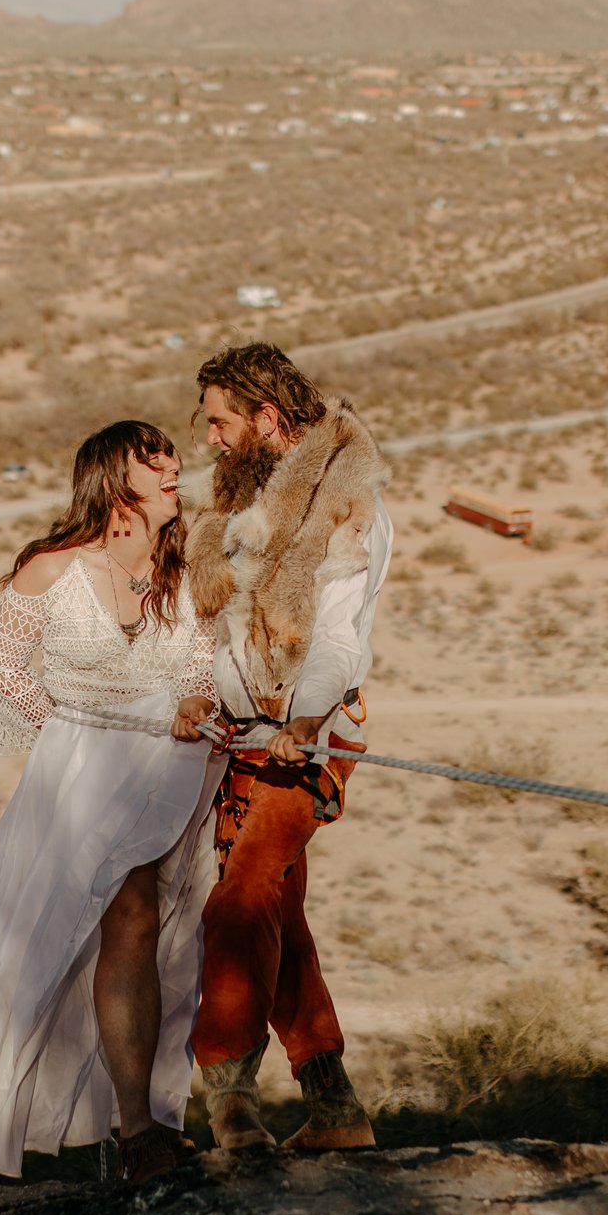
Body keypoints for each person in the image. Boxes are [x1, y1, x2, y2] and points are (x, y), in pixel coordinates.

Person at [0, 421, 222, 1186]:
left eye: (174, 456)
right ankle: (140, 1132)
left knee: (160, 937)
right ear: (112, 478)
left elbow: (203, 665)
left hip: (172, 768)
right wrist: (66, 725)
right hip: (82, 772)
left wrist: (196, 700)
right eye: (154, 459)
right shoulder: (50, 569)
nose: (174, 470)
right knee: (121, 918)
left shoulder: (192, 565)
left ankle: (146, 1120)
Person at [184, 343, 392, 1152]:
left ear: (267, 418)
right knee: (276, 910)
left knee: (237, 903)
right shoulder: (241, 501)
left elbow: (340, 642)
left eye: (220, 421)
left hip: (308, 739)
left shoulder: (351, 506)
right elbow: (223, 631)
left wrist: (305, 716)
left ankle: (229, 1102)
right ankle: (337, 1109)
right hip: (238, 741)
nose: (209, 439)